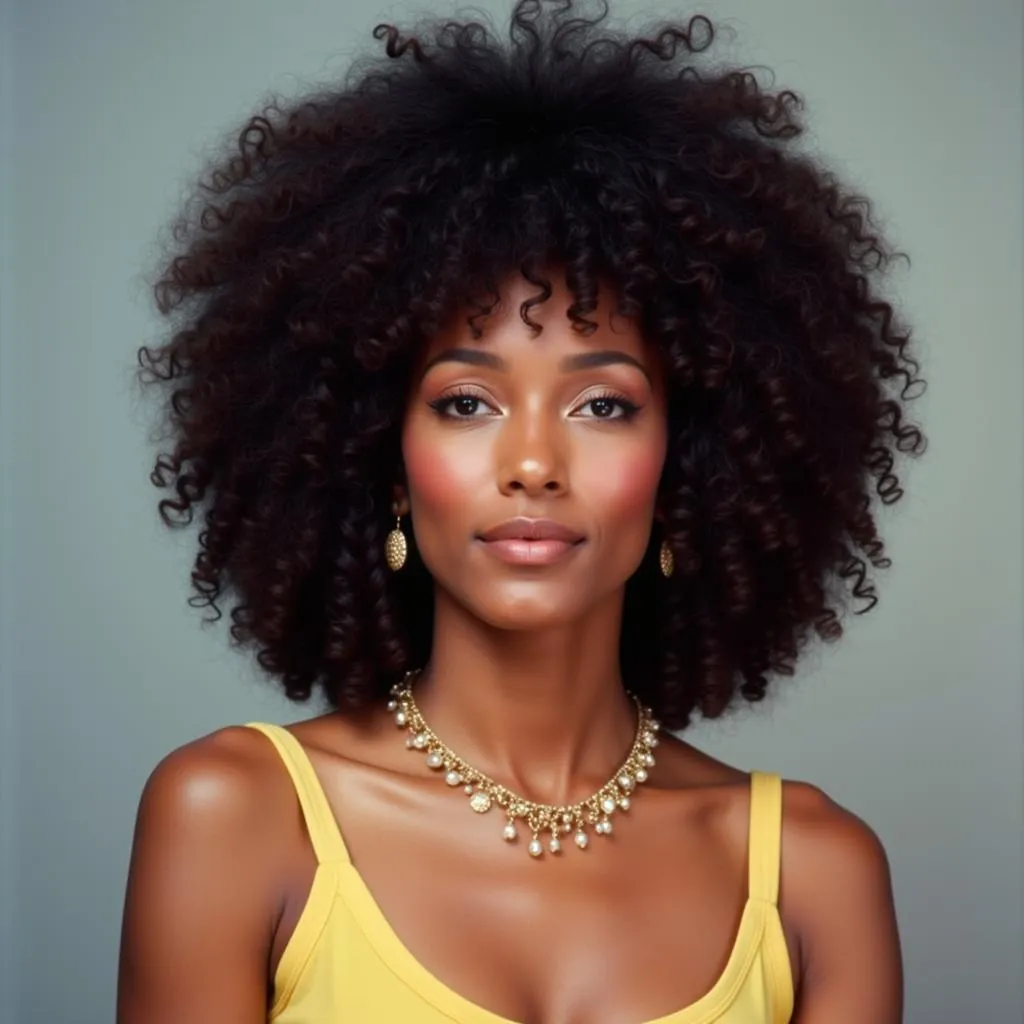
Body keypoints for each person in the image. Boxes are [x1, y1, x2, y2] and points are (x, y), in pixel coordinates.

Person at [118, 2, 924, 1021]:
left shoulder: (813, 872)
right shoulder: (236, 812)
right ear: (387, 463)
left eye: (602, 403)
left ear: (690, 462)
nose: (534, 461)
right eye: (466, 401)